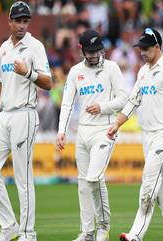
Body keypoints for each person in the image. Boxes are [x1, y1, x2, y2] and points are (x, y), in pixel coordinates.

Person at [0, 2, 52, 241]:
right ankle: (9, 226)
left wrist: (28, 72)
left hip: (25, 115)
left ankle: (29, 234)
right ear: (9, 21)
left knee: (22, 177)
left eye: (25, 21)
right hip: (4, 115)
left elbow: (48, 83)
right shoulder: (4, 48)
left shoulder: (35, 46)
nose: (21, 25)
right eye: (17, 20)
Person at [107, 27, 163, 241]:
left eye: (146, 48)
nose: (142, 52)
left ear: (157, 47)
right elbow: (133, 100)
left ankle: (136, 234)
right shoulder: (144, 71)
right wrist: (117, 123)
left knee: (148, 183)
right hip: (147, 134)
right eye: (140, 48)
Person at [56, 29, 127, 241]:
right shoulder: (75, 71)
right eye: (90, 52)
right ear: (81, 50)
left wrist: (103, 107)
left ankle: (103, 227)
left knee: (94, 178)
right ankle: (87, 232)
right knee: (83, 183)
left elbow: (124, 98)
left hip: (105, 130)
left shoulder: (112, 68)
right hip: (83, 131)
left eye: (97, 51)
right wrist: (61, 131)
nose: (94, 55)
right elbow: (67, 103)